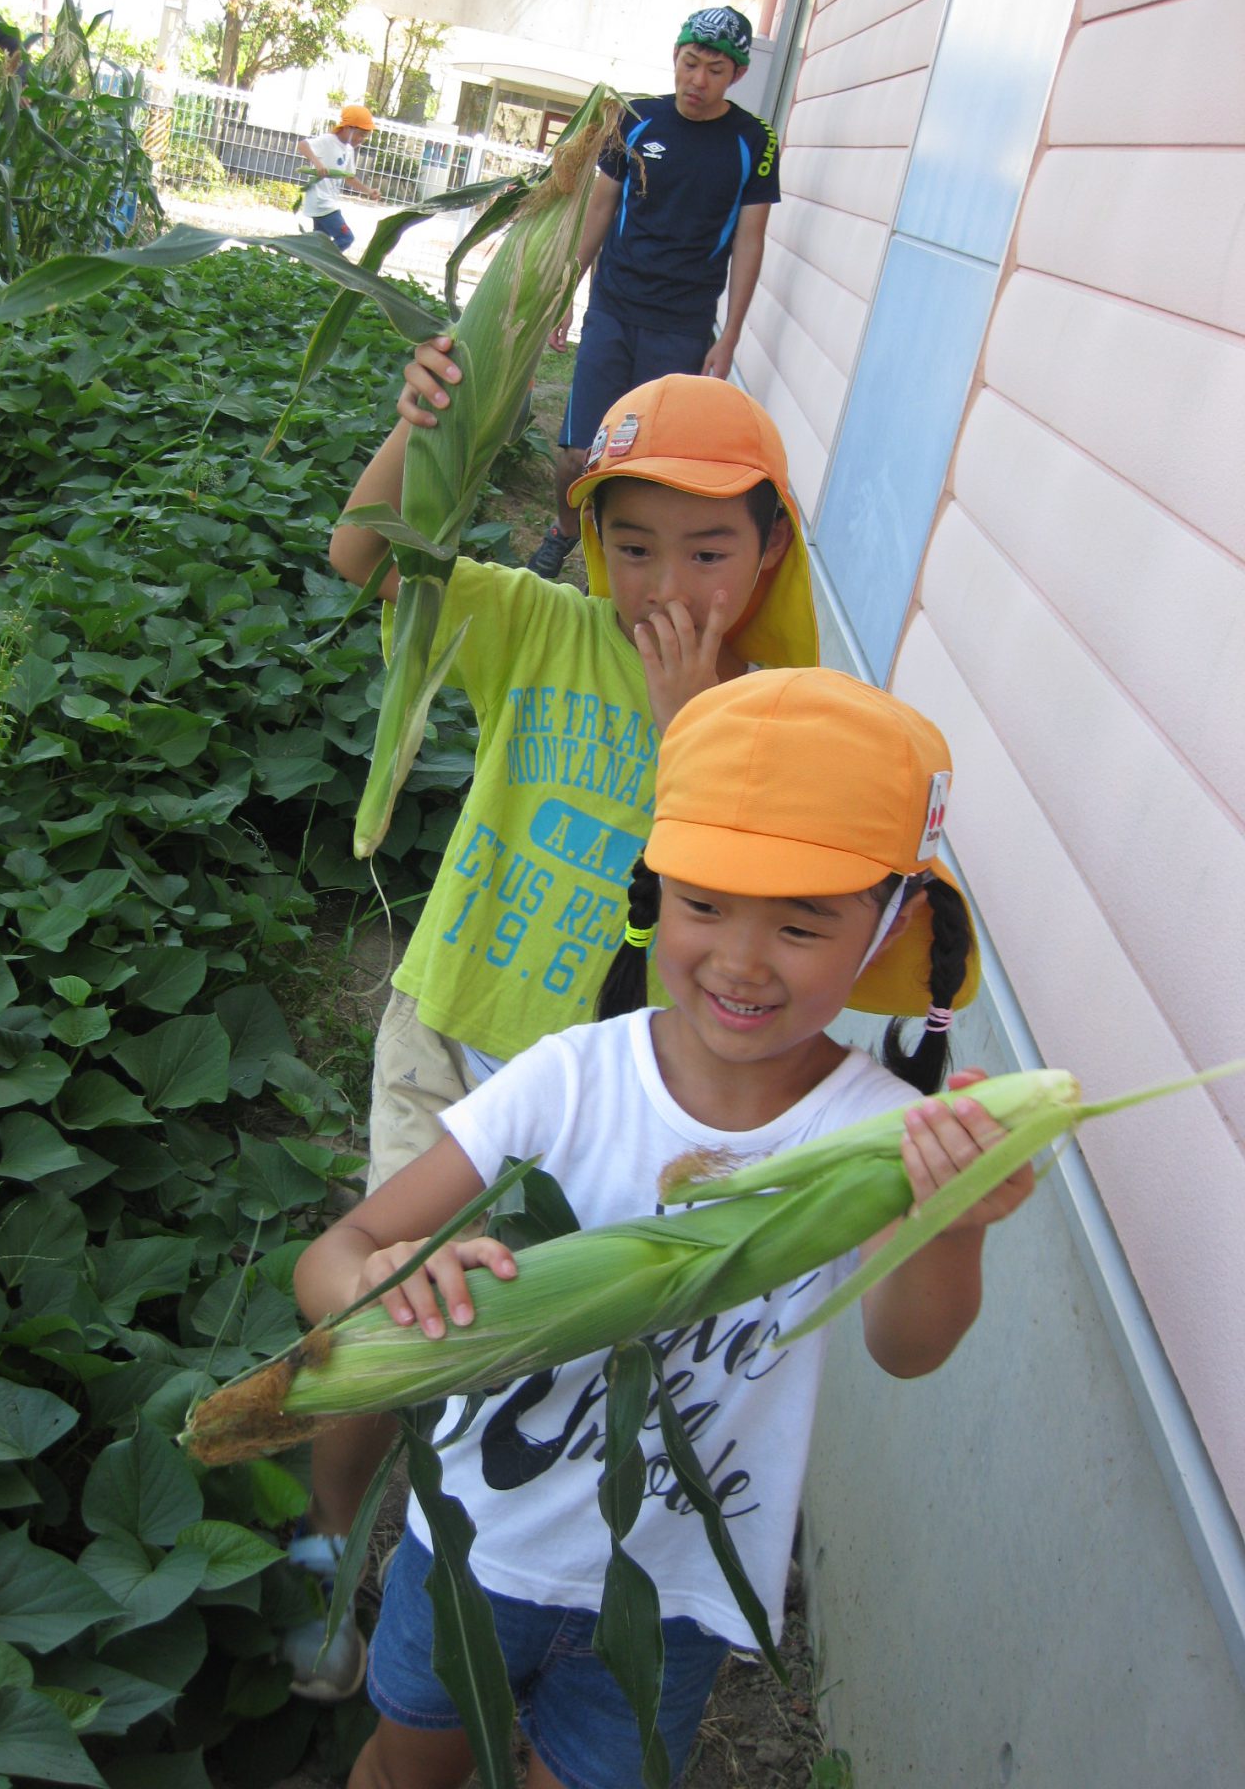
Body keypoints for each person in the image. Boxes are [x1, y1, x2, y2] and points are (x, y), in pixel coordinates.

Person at [294, 666, 1035, 1789]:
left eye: (800, 923)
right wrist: (382, 1281)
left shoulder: (877, 1134)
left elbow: (908, 1348)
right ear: (652, 892)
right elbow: (331, 1259)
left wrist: (953, 1226)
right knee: (409, 1769)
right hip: (476, 1549)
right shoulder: (568, 1081)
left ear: (890, 925)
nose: (739, 960)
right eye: (703, 905)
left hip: (670, 1594)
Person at [291, 367, 818, 1699]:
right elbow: (365, 559)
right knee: (379, 1328)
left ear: (768, 554)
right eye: (631, 546)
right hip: (453, 1032)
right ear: (589, 542)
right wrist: (420, 425)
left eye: (707, 551)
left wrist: (689, 731)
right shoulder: (535, 626)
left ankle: (503, 1587)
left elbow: (752, 915)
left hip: (595, 1100)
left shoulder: (771, 723)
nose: (664, 585)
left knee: (509, 1348)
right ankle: (328, 1542)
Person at [503, 6, 782, 579]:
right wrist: (566, 292)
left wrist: (729, 336)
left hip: (683, 325)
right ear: (675, 57)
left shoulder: (754, 141)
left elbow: (750, 240)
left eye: (715, 71)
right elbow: (600, 208)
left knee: (645, 459)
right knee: (577, 454)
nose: (697, 80)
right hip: (613, 308)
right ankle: (564, 533)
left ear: (737, 75)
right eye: (690, 63)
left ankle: (621, 565)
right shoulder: (634, 120)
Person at [300, 105, 384, 253]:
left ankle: (311, 264)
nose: (362, 140)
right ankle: (327, 262)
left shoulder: (348, 150)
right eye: (360, 134)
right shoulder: (328, 141)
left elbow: (349, 178)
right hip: (321, 201)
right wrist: (318, 163)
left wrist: (369, 191)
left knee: (319, 243)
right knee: (345, 238)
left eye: (365, 136)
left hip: (329, 201)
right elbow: (303, 145)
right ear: (347, 128)